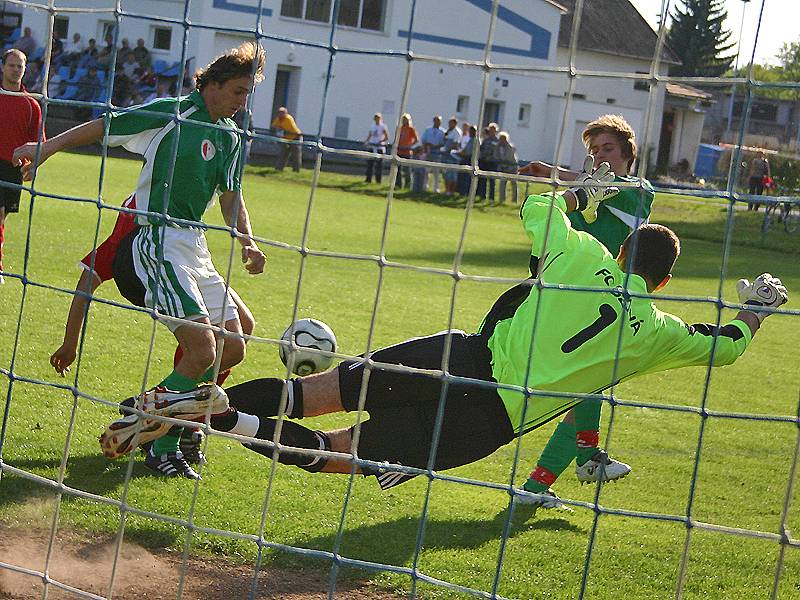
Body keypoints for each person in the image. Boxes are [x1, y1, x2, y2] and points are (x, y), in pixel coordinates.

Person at [113, 157, 787, 499]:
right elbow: (726, 349)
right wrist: (755, 308)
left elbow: (539, 203)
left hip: (456, 353)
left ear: (619, 251)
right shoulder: (658, 330)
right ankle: (218, 419)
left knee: (309, 398)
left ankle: (195, 410)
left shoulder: (580, 254)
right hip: (484, 421)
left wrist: (581, 192)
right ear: (662, 280)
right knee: (333, 452)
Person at [14, 41, 267, 477]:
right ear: (214, 86)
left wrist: (247, 240)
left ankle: (150, 411)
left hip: (197, 245)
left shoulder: (228, 136)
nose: (243, 102)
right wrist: (47, 148)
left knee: (234, 348)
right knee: (203, 349)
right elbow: (104, 125)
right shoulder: (173, 112)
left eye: (247, 93)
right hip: (158, 240)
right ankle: (164, 442)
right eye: (239, 91)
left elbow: (230, 197)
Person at [51, 194, 256, 477]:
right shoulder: (124, 246)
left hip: (189, 256)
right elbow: (84, 289)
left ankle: (167, 412)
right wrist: (70, 344)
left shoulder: (164, 218)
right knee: (203, 348)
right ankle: (172, 429)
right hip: (159, 265)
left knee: (242, 328)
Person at [517, 114, 656, 504]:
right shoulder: (590, 191)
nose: (599, 156)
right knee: (590, 379)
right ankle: (587, 455)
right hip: (572, 298)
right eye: (593, 151)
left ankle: (536, 487)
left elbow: (609, 188)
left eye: (606, 148)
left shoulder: (640, 191)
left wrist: (553, 172)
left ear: (627, 153)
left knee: (587, 385)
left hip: (598, 299)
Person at [0, 49, 45, 285]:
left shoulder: (31, 105)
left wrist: (33, 166)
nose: (15, 70)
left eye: (20, 66)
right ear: (3, 67)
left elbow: (40, 143)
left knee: (1, 218)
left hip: (12, 169)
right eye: (11, 65)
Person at [270, 106, 302, 172]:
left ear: (285, 113)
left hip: (295, 137)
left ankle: (296, 170)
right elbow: (273, 126)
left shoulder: (288, 119)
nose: (280, 114)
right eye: (279, 113)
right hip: (286, 138)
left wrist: (279, 129)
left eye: (282, 113)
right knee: (283, 153)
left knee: (295, 155)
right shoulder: (278, 119)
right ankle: (279, 168)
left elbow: (286, 130)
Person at [420, 115, 445, 193]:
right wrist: (426, 146)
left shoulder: (443, 132)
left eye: (439, 121)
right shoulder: (428, 130)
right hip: (428, 151)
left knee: (436, 172)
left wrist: (437, 146)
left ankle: (436, 188)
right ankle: (424, 186)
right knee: (426, 171)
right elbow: (423, 140)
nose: (437, 123)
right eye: (436, 121)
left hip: (437, 153)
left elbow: (444, 143)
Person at [493, 131, 518, 204]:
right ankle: (502, 200)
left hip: (512, 167)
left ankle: (514, 200)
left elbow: (509, 157)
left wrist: (504, 163)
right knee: (502, 184)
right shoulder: (498, 146)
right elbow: (496, 155)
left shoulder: (510, 147)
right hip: (503, 167)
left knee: (513, 184)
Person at [395, 113, 418, 189]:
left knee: (407, 170)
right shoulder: (400, 128)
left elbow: (416, 139)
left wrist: (409, 146)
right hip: (399, 151)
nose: (405, 121)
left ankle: (407, 185)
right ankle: (398, 184)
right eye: (403, 119)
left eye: (406, 119)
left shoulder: (411, 129)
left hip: (407, 152)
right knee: (398, 170)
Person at [364, 112, 389, 184]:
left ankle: (378, 181)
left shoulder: (383, 126)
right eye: (376, 118)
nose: (377, 119)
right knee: (370, 164)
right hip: (372, 146)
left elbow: (387, 137)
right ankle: (368, 179)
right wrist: (366, 142)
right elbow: (370, 135)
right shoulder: (372, 126)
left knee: (379, 166)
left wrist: (380, 141)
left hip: (379, 148)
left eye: (378, 118)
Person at [477, 123, 499, 200]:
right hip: (484, 162)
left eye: (493, 130)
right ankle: (482, 196)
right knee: (483, 180)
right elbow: (481, 149)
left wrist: (489, 156)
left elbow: (496, 152)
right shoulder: (485, 140)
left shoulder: (497, 141)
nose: (491, 132)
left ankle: (491, 198)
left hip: (492, 163)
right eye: (490, 130)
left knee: (492, 181)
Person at [442, 117, 462, 196]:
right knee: (446, 173)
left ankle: (451, 191)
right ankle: (447, 190)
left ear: (454, 123)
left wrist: (447, 149)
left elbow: (455, 145)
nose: (449, 125)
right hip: (446, 155)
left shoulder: (457, 132)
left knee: (452, 174)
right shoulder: (449, 131)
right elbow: (445, 139)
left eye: (450, 123)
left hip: (453, 156)